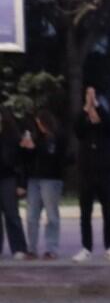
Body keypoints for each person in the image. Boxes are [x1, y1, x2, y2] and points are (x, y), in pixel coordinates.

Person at [74, 87, 110, 261]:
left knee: (107, 213)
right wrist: (86, 107)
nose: (93, 114)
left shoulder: (106, 130)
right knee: (85, 213)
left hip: (104, 174)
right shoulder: (84, 130)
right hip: (86, 174)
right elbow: (76, 128)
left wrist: (97, 106)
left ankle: (109, 246)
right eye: (91, 113)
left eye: (96, 112)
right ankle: (86, 247)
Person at [20, 108, 67, 260]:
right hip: (34, 178)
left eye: (40, 123)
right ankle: (31, 248)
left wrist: (35, 149)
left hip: (51, 178)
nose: (39, 126)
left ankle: (51, 248)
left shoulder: (56, 137)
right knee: (31, 215)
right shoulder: (36, 137)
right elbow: (28, 159)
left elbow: (53, 157)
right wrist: (26, 148)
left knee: (51, 214)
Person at [0, 110, 29, 257]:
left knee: (12, 214)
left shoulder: (13, 137)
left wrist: (22, 184)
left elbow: (21, 162)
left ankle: (19, 248)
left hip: (8, 179)